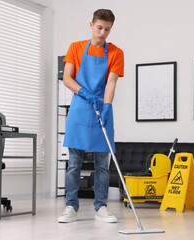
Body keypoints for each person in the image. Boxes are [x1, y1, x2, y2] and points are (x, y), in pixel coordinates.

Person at [58, 9, 124, 223]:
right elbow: (67, 79)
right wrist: (84, 93)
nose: (103, 33)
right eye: (99, 28)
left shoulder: (116, 53)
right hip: (80, 107)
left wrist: (107, 106)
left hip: (102, 107)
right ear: (91, 25)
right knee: (75, 163)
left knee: (102, 164)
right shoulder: (76, 48)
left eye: (107, 29)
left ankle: (101, 207)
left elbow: (111, 82)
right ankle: (70, 207)